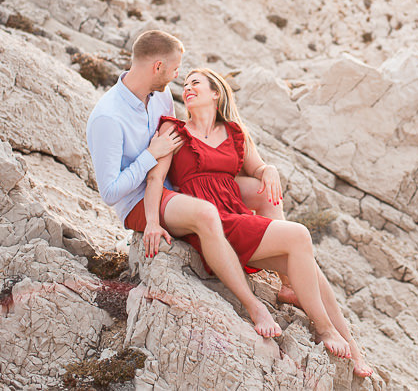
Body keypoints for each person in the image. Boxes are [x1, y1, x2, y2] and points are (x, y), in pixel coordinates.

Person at [144, 67, 373, 377]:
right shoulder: (173, 130)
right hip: (212, 223)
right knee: (299, 236)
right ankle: (323, 328)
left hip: (236, 215)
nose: (188, 88)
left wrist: (269, 170)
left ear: (216, 93)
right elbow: (156, 177)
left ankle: (353, 348)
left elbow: (259, 168)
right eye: (185, 85)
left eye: (196, 83)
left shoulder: (234, 133)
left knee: (307, 266)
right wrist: (151, 222)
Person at [86, 30, 281, 338]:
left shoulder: (161, 95)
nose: (179, 76)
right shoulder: (108, 117)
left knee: (259, 194)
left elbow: (177, 143)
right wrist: (150, 156)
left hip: (172, 188)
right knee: (206, 214)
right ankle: (254, 306)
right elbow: (110, 192)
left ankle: (285, 275)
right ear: (158, 67)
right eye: (176, 69)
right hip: (138, 201)